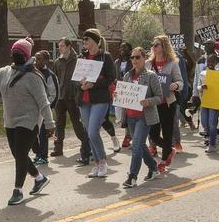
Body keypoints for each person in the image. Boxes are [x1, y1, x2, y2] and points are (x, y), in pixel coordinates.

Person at [0, 38, 54, 205]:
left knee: (20, 154)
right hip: (10, 120)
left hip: (29, 121)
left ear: (27, 55)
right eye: (14, 52)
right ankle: (39, 178)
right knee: (18, 154)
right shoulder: (6, 71)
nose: (16, 55)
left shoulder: (34, 76)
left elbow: (43, 102)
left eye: (20, 53)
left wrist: (50, 124)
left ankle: (18, 190)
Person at [119, 47, 164, 187]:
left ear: (144, 58)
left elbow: (159, 97)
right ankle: (154, 168)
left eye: (137, 57)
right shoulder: (127, 76)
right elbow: (123, 95)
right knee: (140, 146)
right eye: (132, 57)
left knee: (136, 146)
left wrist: (148, 101)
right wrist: (118, 96)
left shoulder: (151, 76)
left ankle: (132, 176)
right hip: (131, 116)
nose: (134, 60)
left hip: (144, 117)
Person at [76, 29, 116, 178]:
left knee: (93, 131)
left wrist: (93, 84)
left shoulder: (105, 57)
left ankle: (103, 161)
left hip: (100, 99)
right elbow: (76, 78)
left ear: (95, 41)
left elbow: (111, 78)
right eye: (83, 39)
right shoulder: (82, 56)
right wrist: (80, 84)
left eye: (87, 38)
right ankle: (97, 164)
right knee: (89, 133)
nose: (84, 41)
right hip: (84, 100)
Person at [146, 35, 183, 171]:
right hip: (153, 104)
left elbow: (181, 82)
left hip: (167, 103)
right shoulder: (148, 64)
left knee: (167, 133)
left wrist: (176, 85)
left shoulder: (172, 64)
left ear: (163, 47)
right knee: (153, 135)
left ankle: (163, 161)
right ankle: (170, 149)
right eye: (153, 45)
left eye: (157, 45)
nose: (153, 47)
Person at [50, 37, 88, 158]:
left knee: (76, 123)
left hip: (73, 96)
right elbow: (55, 79)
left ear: (68, 46)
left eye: (61, 46)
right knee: (59, 123)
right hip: (60, 97)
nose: (59, 48)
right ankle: (58, 147)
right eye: (59, 46)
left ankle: (87, 145)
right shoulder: (57, 62)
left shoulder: (78, 60)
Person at [31, 50, 59, 166]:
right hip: (33, 108)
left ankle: (43, 155)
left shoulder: (49, 75)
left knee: (43, 132)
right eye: (35, 59)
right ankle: (38, 154)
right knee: (34, 132)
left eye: (39, 59)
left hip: (44, 108)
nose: (36, 61)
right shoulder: (32, 73)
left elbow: (53, 94)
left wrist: (47, 107)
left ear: (46, 61)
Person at [195, 51, 219, 152]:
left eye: (213, 62)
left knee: (212, 123)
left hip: (214, 102)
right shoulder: (202, 73)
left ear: (216, 63)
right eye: (209, 61)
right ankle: (209, 136)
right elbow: (198, 86)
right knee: (204, 122)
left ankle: (212, 143)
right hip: (204, 101)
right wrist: (201, 87)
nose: (210, 63)